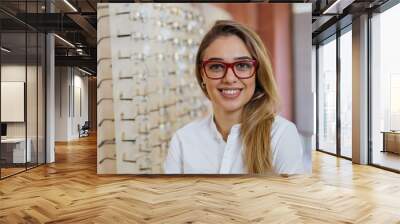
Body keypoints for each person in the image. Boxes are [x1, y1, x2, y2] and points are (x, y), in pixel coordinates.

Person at [163, 20, 304, 175]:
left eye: (242, 65)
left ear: (257, 73)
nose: (229, 78)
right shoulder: (183, 140)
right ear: (202, 74)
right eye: (216, 66)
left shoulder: (281, 135)